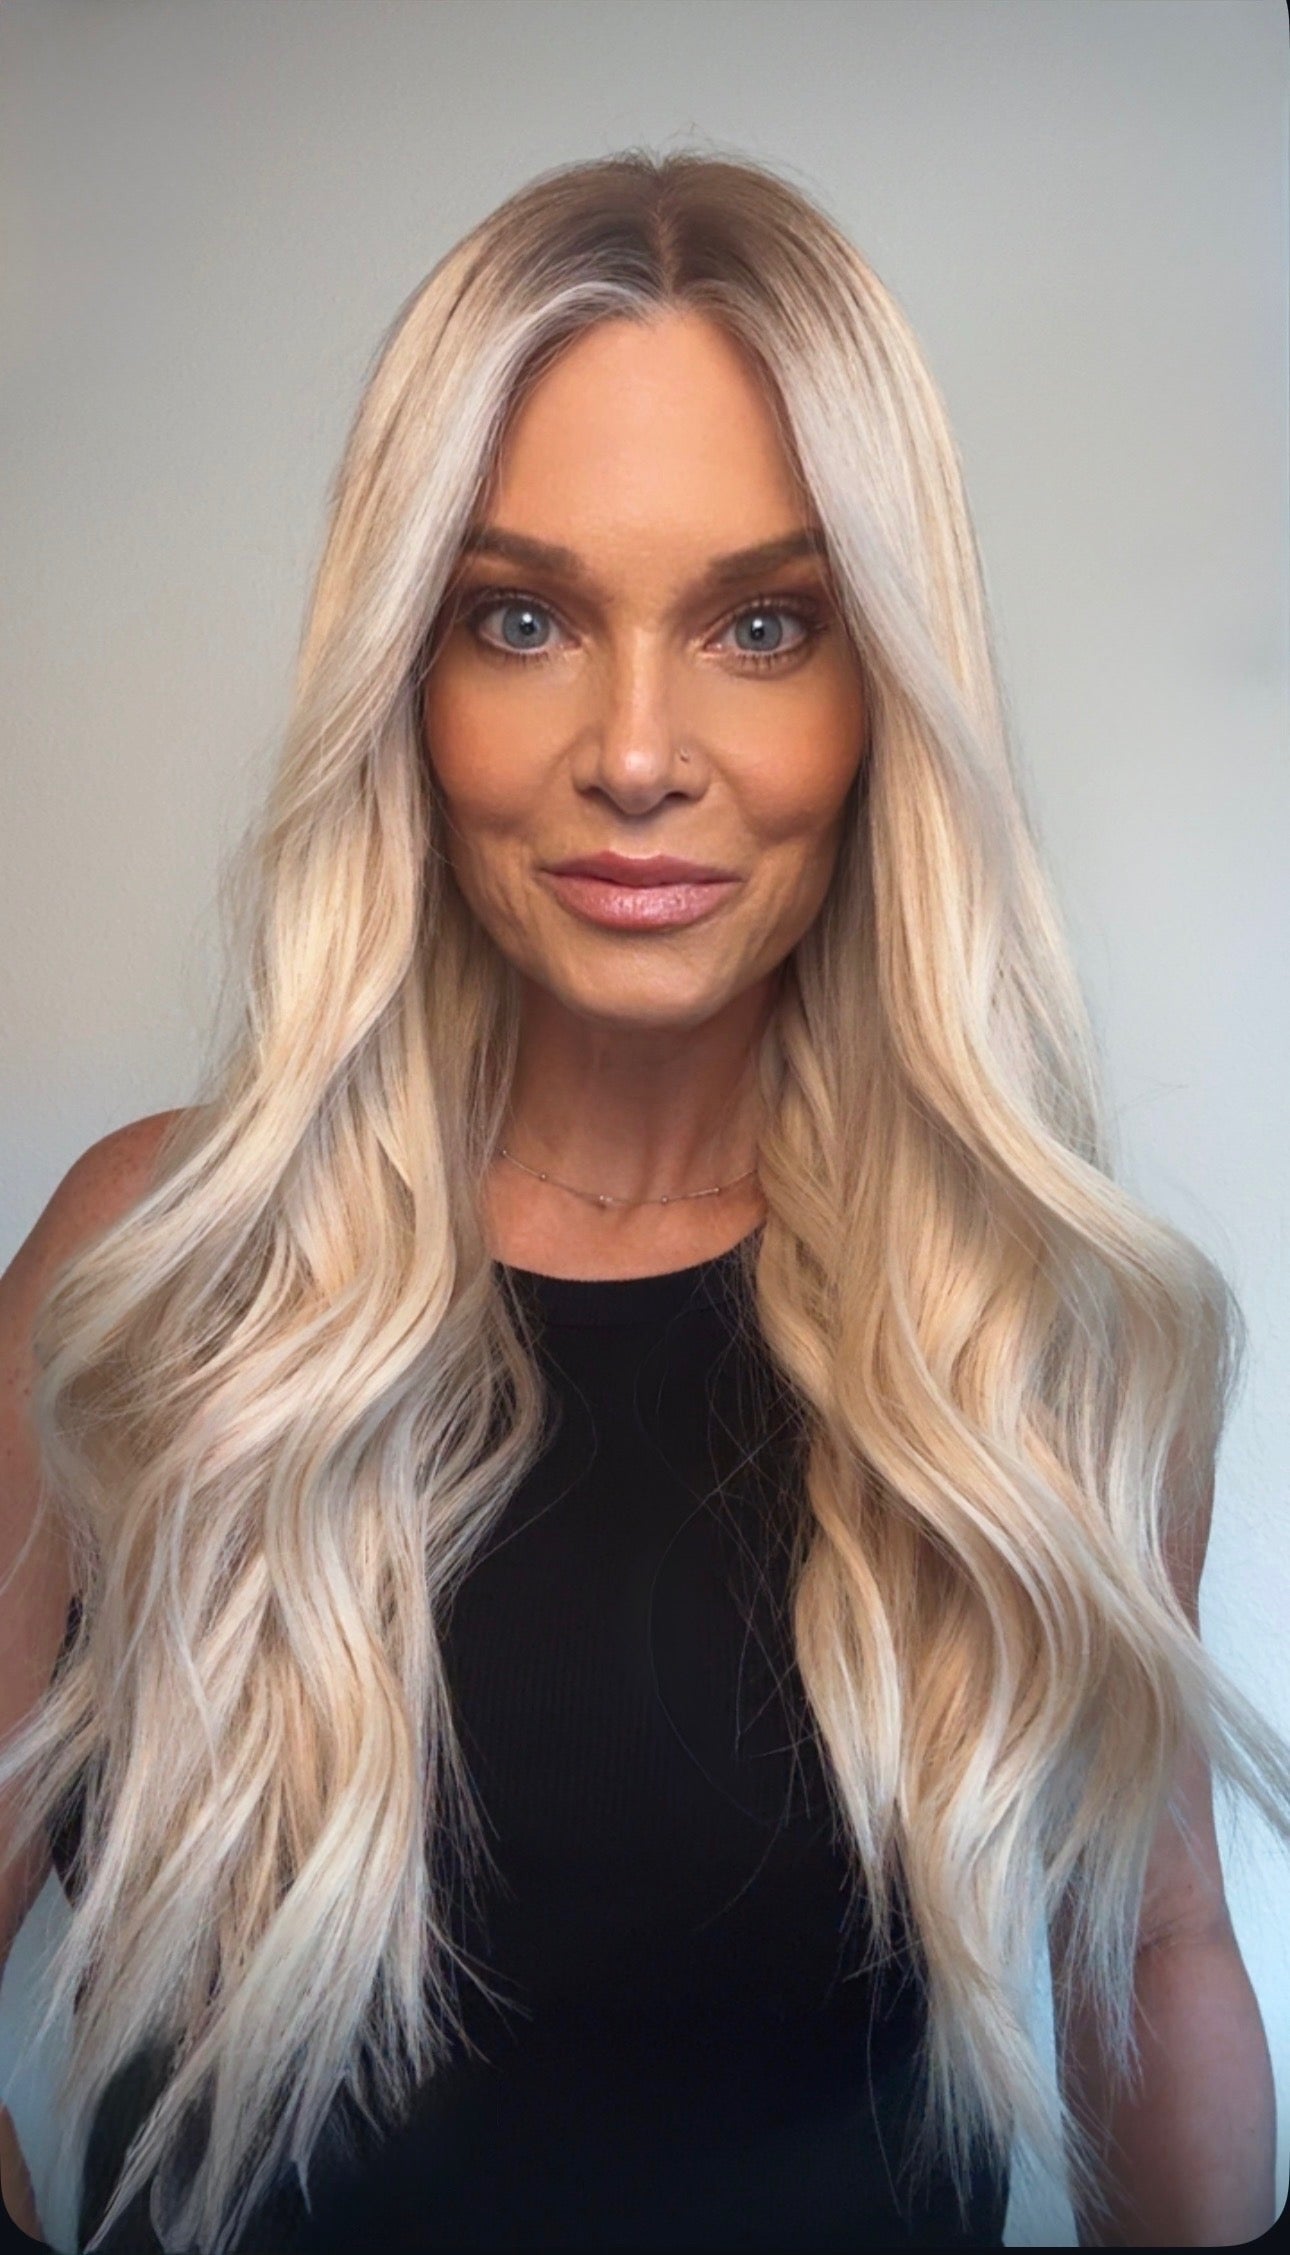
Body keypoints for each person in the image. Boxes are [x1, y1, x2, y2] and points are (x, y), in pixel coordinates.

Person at [1, 149, 1284, 2254]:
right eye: (521, 618)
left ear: (885, 692)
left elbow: (1152, 1954)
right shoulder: (158, 1272)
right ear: (407, 679)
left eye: (762, 625)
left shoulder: (1034, 1328)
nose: (633, 752)